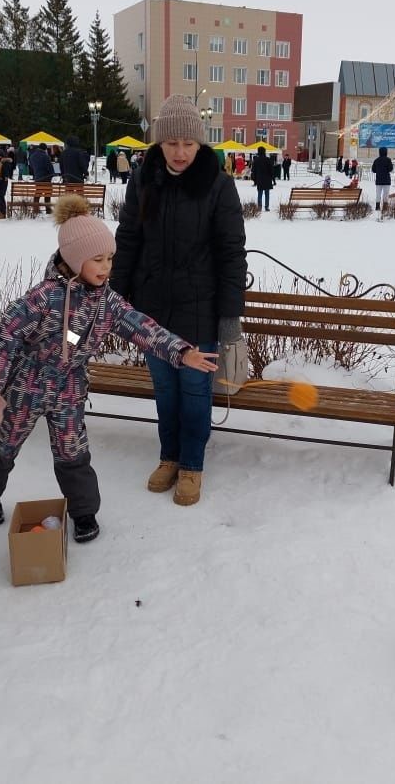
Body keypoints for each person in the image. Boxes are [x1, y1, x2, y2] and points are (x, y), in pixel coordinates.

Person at [0, 194, 219, 536]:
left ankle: (84, 513)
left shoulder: (107, 301)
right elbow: (5, 338)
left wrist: (182, 352)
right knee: (5, 442)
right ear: (73, 260)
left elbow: (141, 326)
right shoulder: (42, 299)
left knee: (73, 450)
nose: (106, 267)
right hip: (27, 385)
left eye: (110, 259)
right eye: (97, 260)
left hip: (69, 386)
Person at [111, 95, 247, 506]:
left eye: (189, 143)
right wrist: (117, 299)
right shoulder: (143, 179)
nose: (181, 152)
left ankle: (192, 465)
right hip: (152, 311)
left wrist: (229, 319)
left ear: (200, 144)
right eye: (172, 143)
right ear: (159, 143)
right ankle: (168, 456)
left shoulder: (219, 185)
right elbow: (129, 239)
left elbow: (231, 253)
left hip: (199, 312)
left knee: (194, 392)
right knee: (165, 392)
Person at [251, 145, 274, 211]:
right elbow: (271, 170)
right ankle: (266, 206)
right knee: (267, 194)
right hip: (267, 179)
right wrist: (273, 179)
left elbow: (254, 170)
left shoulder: (256, 160)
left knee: (260, 193)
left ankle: (259, 207)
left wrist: (254, 180)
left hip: (260, 179)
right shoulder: (268, 159)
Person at [371, 146, 393, 212]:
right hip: (386, 180)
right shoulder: (388, 160)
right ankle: (385, 207)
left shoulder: (376, 160)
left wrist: (378, 170)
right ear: (386, 152)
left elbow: (373, 170)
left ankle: (377, 207)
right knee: (386, 194)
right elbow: (390, 169)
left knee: (378, 194)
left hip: (379, 180)